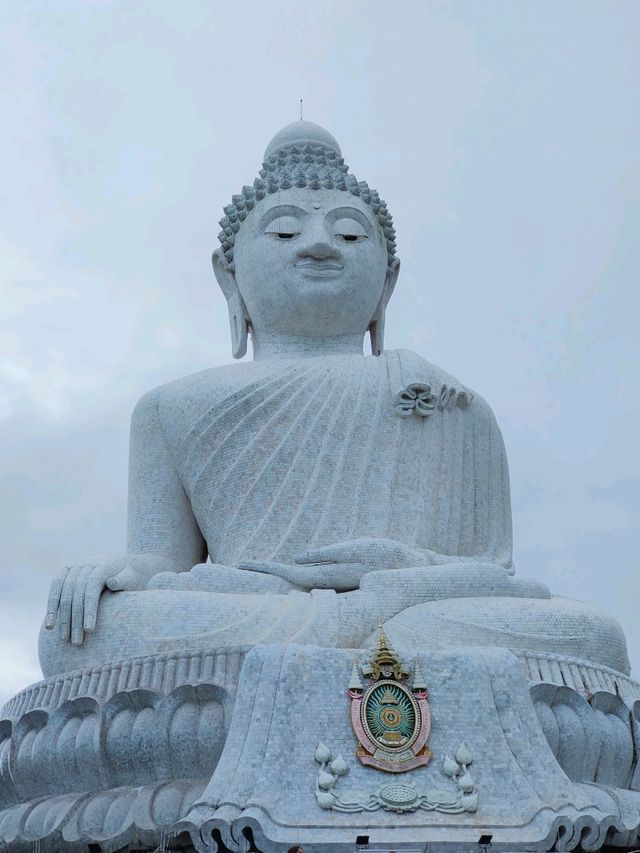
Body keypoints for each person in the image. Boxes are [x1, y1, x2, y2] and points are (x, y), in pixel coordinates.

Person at [39, 121, 629, 679]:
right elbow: (160, 563)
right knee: (78, 633)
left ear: (388, 280)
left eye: (349, 233)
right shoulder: (171, 407)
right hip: (262, 607)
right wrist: (116, 575)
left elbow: (490, 575)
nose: (320, 245)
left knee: (590, 636)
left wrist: (399, 579)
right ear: (230, 274)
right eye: (285, 231)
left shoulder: (451, 402)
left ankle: (340, 640)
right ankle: (355, 638)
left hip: (413, 609)